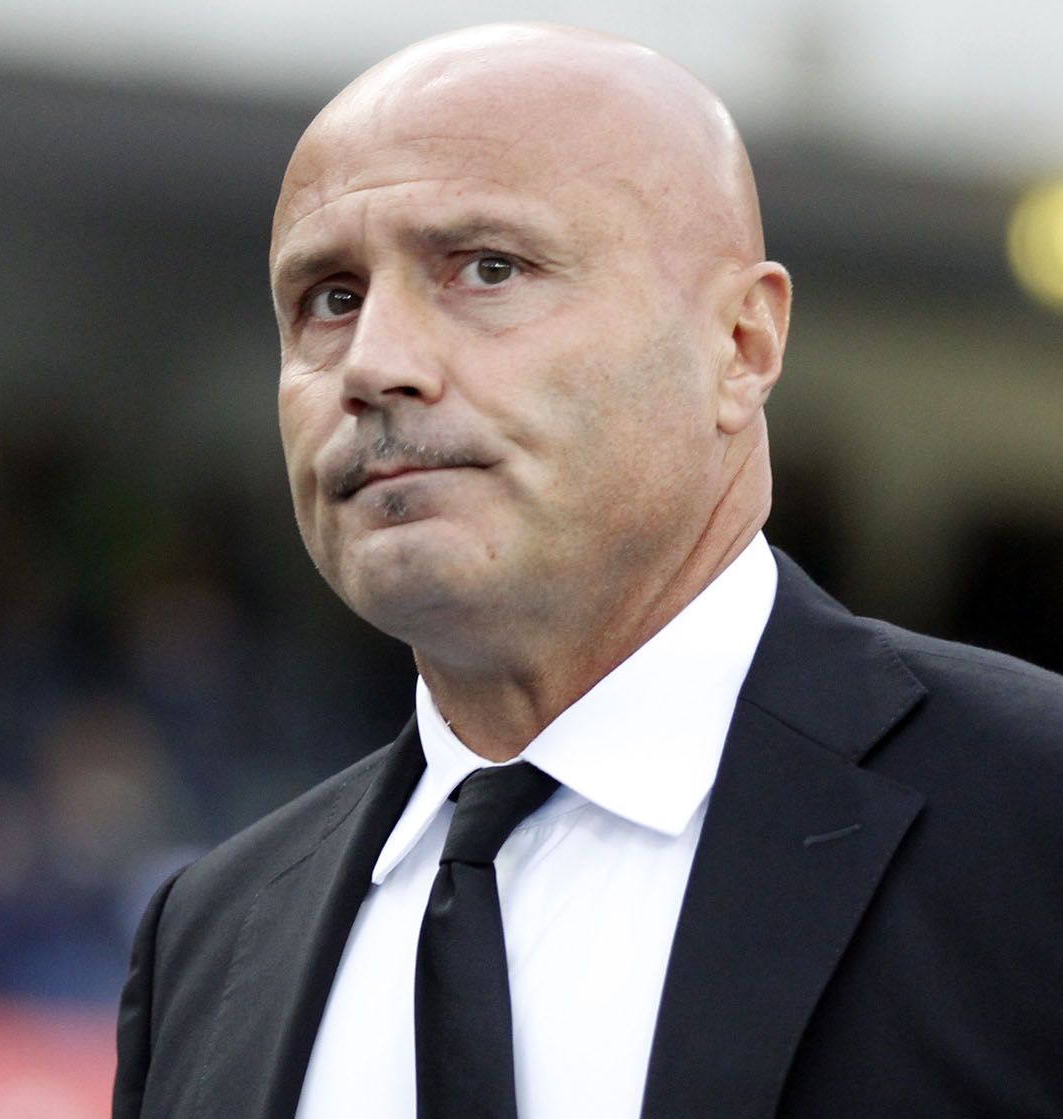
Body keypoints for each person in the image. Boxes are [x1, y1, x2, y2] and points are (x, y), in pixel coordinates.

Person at [113, 23, 1063, 1119]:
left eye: (488, 269)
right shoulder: (211, 939)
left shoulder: (1030, 820)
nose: (374, 365)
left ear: (742, 346)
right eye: (330, 297)